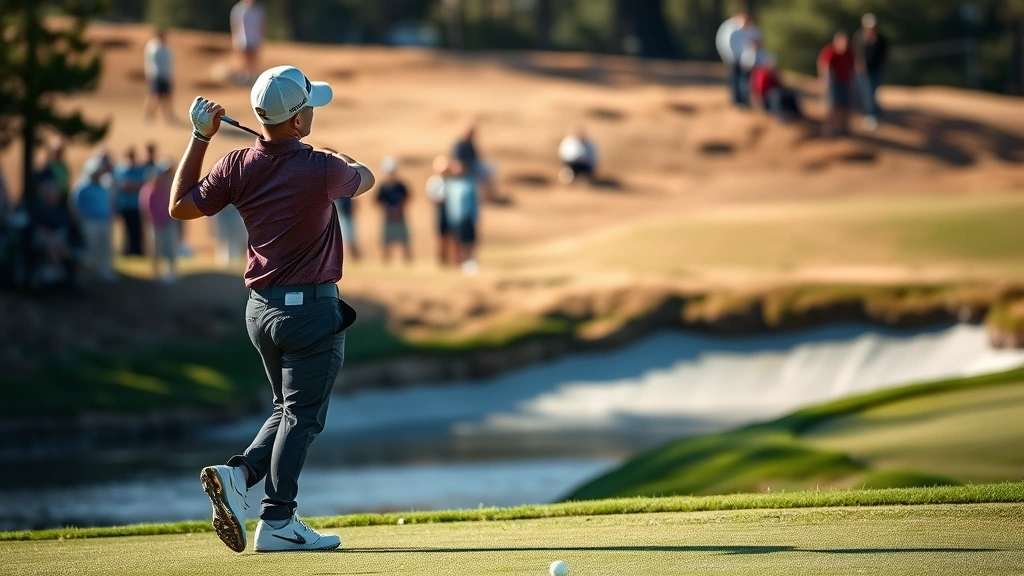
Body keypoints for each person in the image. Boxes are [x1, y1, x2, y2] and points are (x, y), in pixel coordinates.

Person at [170, 65, 374, 553]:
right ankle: (278, 520)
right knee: (302, 418)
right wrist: (337, 155)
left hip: (261, 313)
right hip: (309, 315)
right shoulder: (322, 168)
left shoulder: (237, 164)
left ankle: (238, 475)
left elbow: (180, 205)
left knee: (287, 411)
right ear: (298, 121)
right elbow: (363, 178)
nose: (312, 114)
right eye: (309, 108)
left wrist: (199, 137)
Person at [70, 163, 115, 282]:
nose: (97, 175)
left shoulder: (103, 187)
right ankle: (90, 272)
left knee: (105, 247)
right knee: (90, 247)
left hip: (104, 221)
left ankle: (105, 271)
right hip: (89, 222)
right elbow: (74, 206)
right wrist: (80, 220)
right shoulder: (81, 187)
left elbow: (108, 203)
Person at [29, 175, 78, 285]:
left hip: (60, 236)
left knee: (65, 248)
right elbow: (36, 225)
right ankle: (57, 269)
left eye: (56, 193)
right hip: (43, 237)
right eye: (51, 193)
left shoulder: (60, 207)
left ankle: (65, 273)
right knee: (52, 241)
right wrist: (48, 233)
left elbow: (65, 223)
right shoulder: (38, 207)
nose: (55, 195)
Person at [140, 161, 177, 283]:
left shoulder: (168, 188)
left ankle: (171, 271)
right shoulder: (147, 190)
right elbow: (146, 209)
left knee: (170, 248)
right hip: (154, 224)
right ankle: (156, 272)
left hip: (168, 223)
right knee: (155, 248)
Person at [716, 7, 761, 107]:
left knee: (745, 81)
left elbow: (753, 44)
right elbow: (725, 44)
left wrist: (750, 59)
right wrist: (731, 58)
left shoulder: (749, 28)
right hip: (733, 60)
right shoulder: (730, 27)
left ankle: (744, 100)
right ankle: (736, 101)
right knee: (735, 80)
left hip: (745, 62)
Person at [854, 13, 889, 131]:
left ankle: (872, 115)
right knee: (864, 93)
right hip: (861, 72)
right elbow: (856, 52)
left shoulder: (880, 39)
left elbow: (883, 54)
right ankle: (872, 113)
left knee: (871, 93)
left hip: (874, 71)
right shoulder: (859, 37)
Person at [444, 159, 479, 275]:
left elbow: (474, 201)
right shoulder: (450, 184)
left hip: (467, 217)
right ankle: (458, 265)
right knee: (457, 243)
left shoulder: (469, 182)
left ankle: (470, 264)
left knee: (469, 242)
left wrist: (474, 216)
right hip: (454, 218)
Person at [819, 31, 855, 138]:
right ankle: (829, 130)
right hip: (834, 83)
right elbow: (825, 68)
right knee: (833, 107)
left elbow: (852, 68)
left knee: (845, 106)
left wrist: (853, 83)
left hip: (845, 82)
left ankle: (843, 128)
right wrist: (827, 84)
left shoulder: (849, 53)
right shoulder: (830, 52)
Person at [113, 146, 147, 256]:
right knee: (126, 229)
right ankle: (127, 251)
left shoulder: (139, 169)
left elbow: (143, 184)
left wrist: (132, 185)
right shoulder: (120, 169)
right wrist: (135, 185)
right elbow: (123, 186)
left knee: (137, 229)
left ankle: (137, 251)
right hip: (125, 205)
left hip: (137, 205)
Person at [452, 122, 498, 202]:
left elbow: (477, 157)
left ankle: (490, 195)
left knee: (490, 170)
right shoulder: (460, 145)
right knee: (485, 173)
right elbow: (457, 160)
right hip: (466, 168)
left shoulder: (470, 144)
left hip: (473, 166)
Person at [751, 56, 803, 123]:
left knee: (789, 93)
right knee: (776, 95)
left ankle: (796, 114)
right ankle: (780, 117)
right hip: (766, 99)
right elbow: (760, 91)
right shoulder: (762, 75)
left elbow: (781, 86)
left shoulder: (775, 75)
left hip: (775, 95)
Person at [425, 155, 453, 267]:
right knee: (441, 237)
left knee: (452, 236)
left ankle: (452, 260)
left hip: (451, 211)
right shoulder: (434, 181)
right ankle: (442, 260)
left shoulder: (451, 181)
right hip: (440, 211)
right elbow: (432, 196)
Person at [144, 28, 175, 122]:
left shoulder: (167, 48)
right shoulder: (153, 47)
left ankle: (168, 115)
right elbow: (152, 62)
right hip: (156, 75)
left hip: (166, 75)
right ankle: (149, 115)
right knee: (155, 96)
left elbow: (169, 63)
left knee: (167, 96)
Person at [230, 0, 265, 86]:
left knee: (253, 60)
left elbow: (261, 26)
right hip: (242, 40)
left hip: (254, 40)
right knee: (243, 60)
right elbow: (235, 25)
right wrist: (236, 39)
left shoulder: (258, 10)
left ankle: (252, 77)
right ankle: (244, 78)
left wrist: (260, 39)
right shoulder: (238, 9)